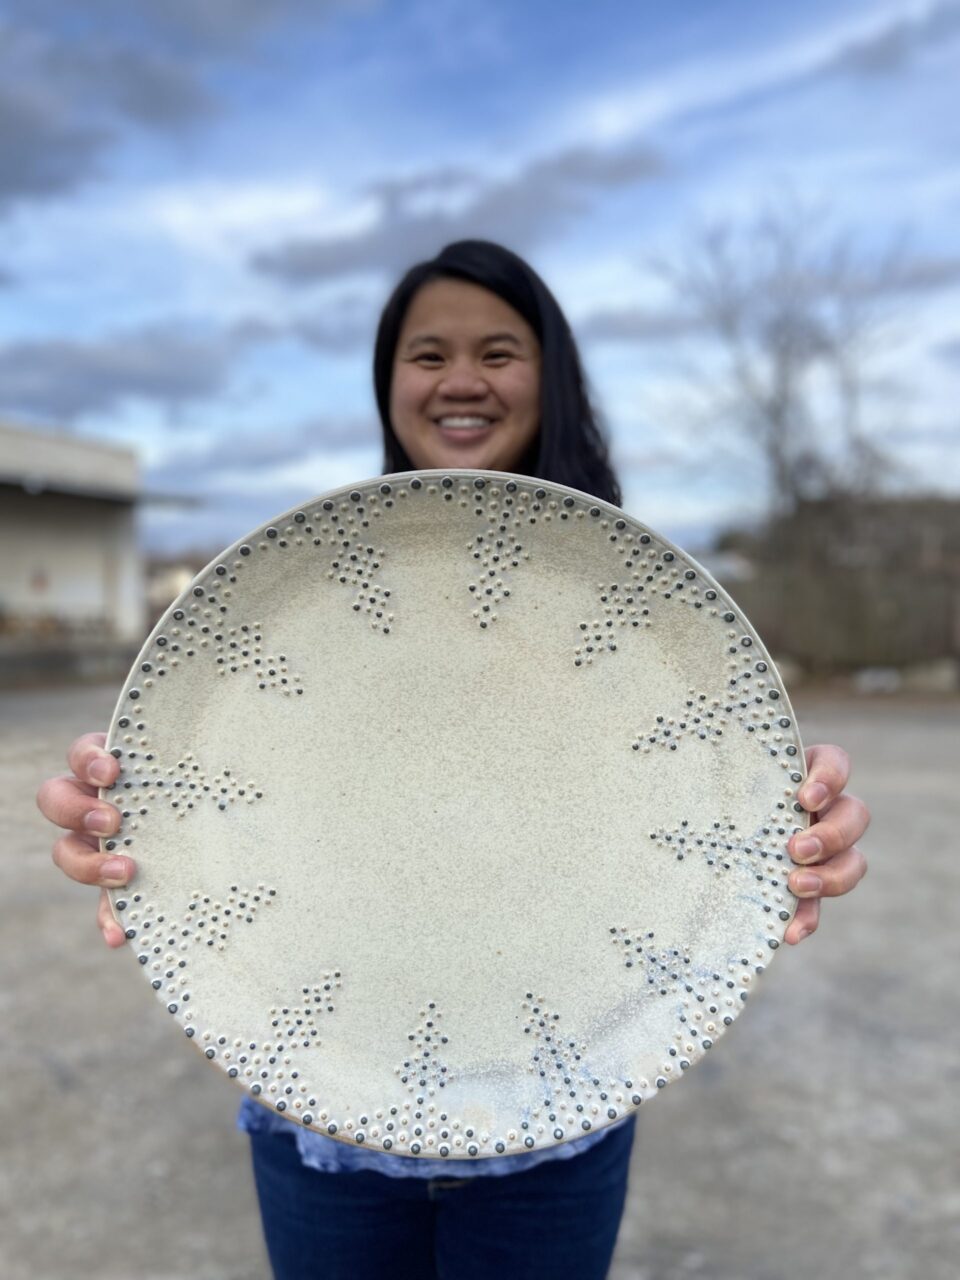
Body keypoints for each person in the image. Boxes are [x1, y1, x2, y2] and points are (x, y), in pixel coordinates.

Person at [36, 240, 870, 1280]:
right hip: (318, 1118)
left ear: (552, 375)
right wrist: (122, 819)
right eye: (428, 354)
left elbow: (729, 777)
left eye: (499, 352)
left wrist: (797, 819)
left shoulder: (648, 603)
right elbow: (191, 782)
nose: (461, 379)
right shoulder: (301, 582)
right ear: (388, 381)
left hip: (561, 1128)